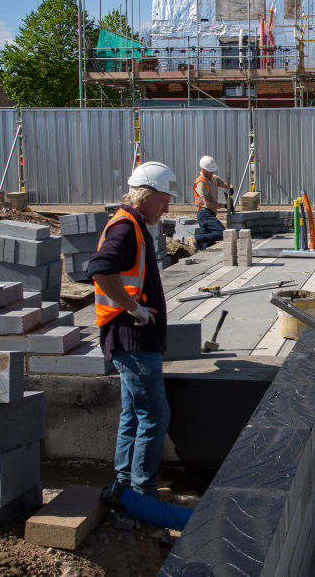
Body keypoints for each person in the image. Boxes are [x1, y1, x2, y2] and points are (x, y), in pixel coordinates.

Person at [89, 160, 176, 499]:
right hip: (133, 338)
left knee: (134, 415)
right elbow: (100, 269)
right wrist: (135, 308)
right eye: (165, 199)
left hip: (133, 338)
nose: (168, 207)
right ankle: (142, 492)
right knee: (154, 415)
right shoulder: (125, 227)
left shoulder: (136, 226)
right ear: (146, 195)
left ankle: (125, 485)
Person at [191, 155, 232, 249]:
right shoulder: (200, 183)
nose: (212, 172)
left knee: (209, 244)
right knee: (223, 234)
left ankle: (206, 259)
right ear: (203, 169)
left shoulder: (213, 178)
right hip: (204, 213)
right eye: (210, 170)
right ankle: (196, 238)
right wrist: (224, 205)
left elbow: (224, 184)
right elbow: (207, 204)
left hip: (210, 213)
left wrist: (230, 187)